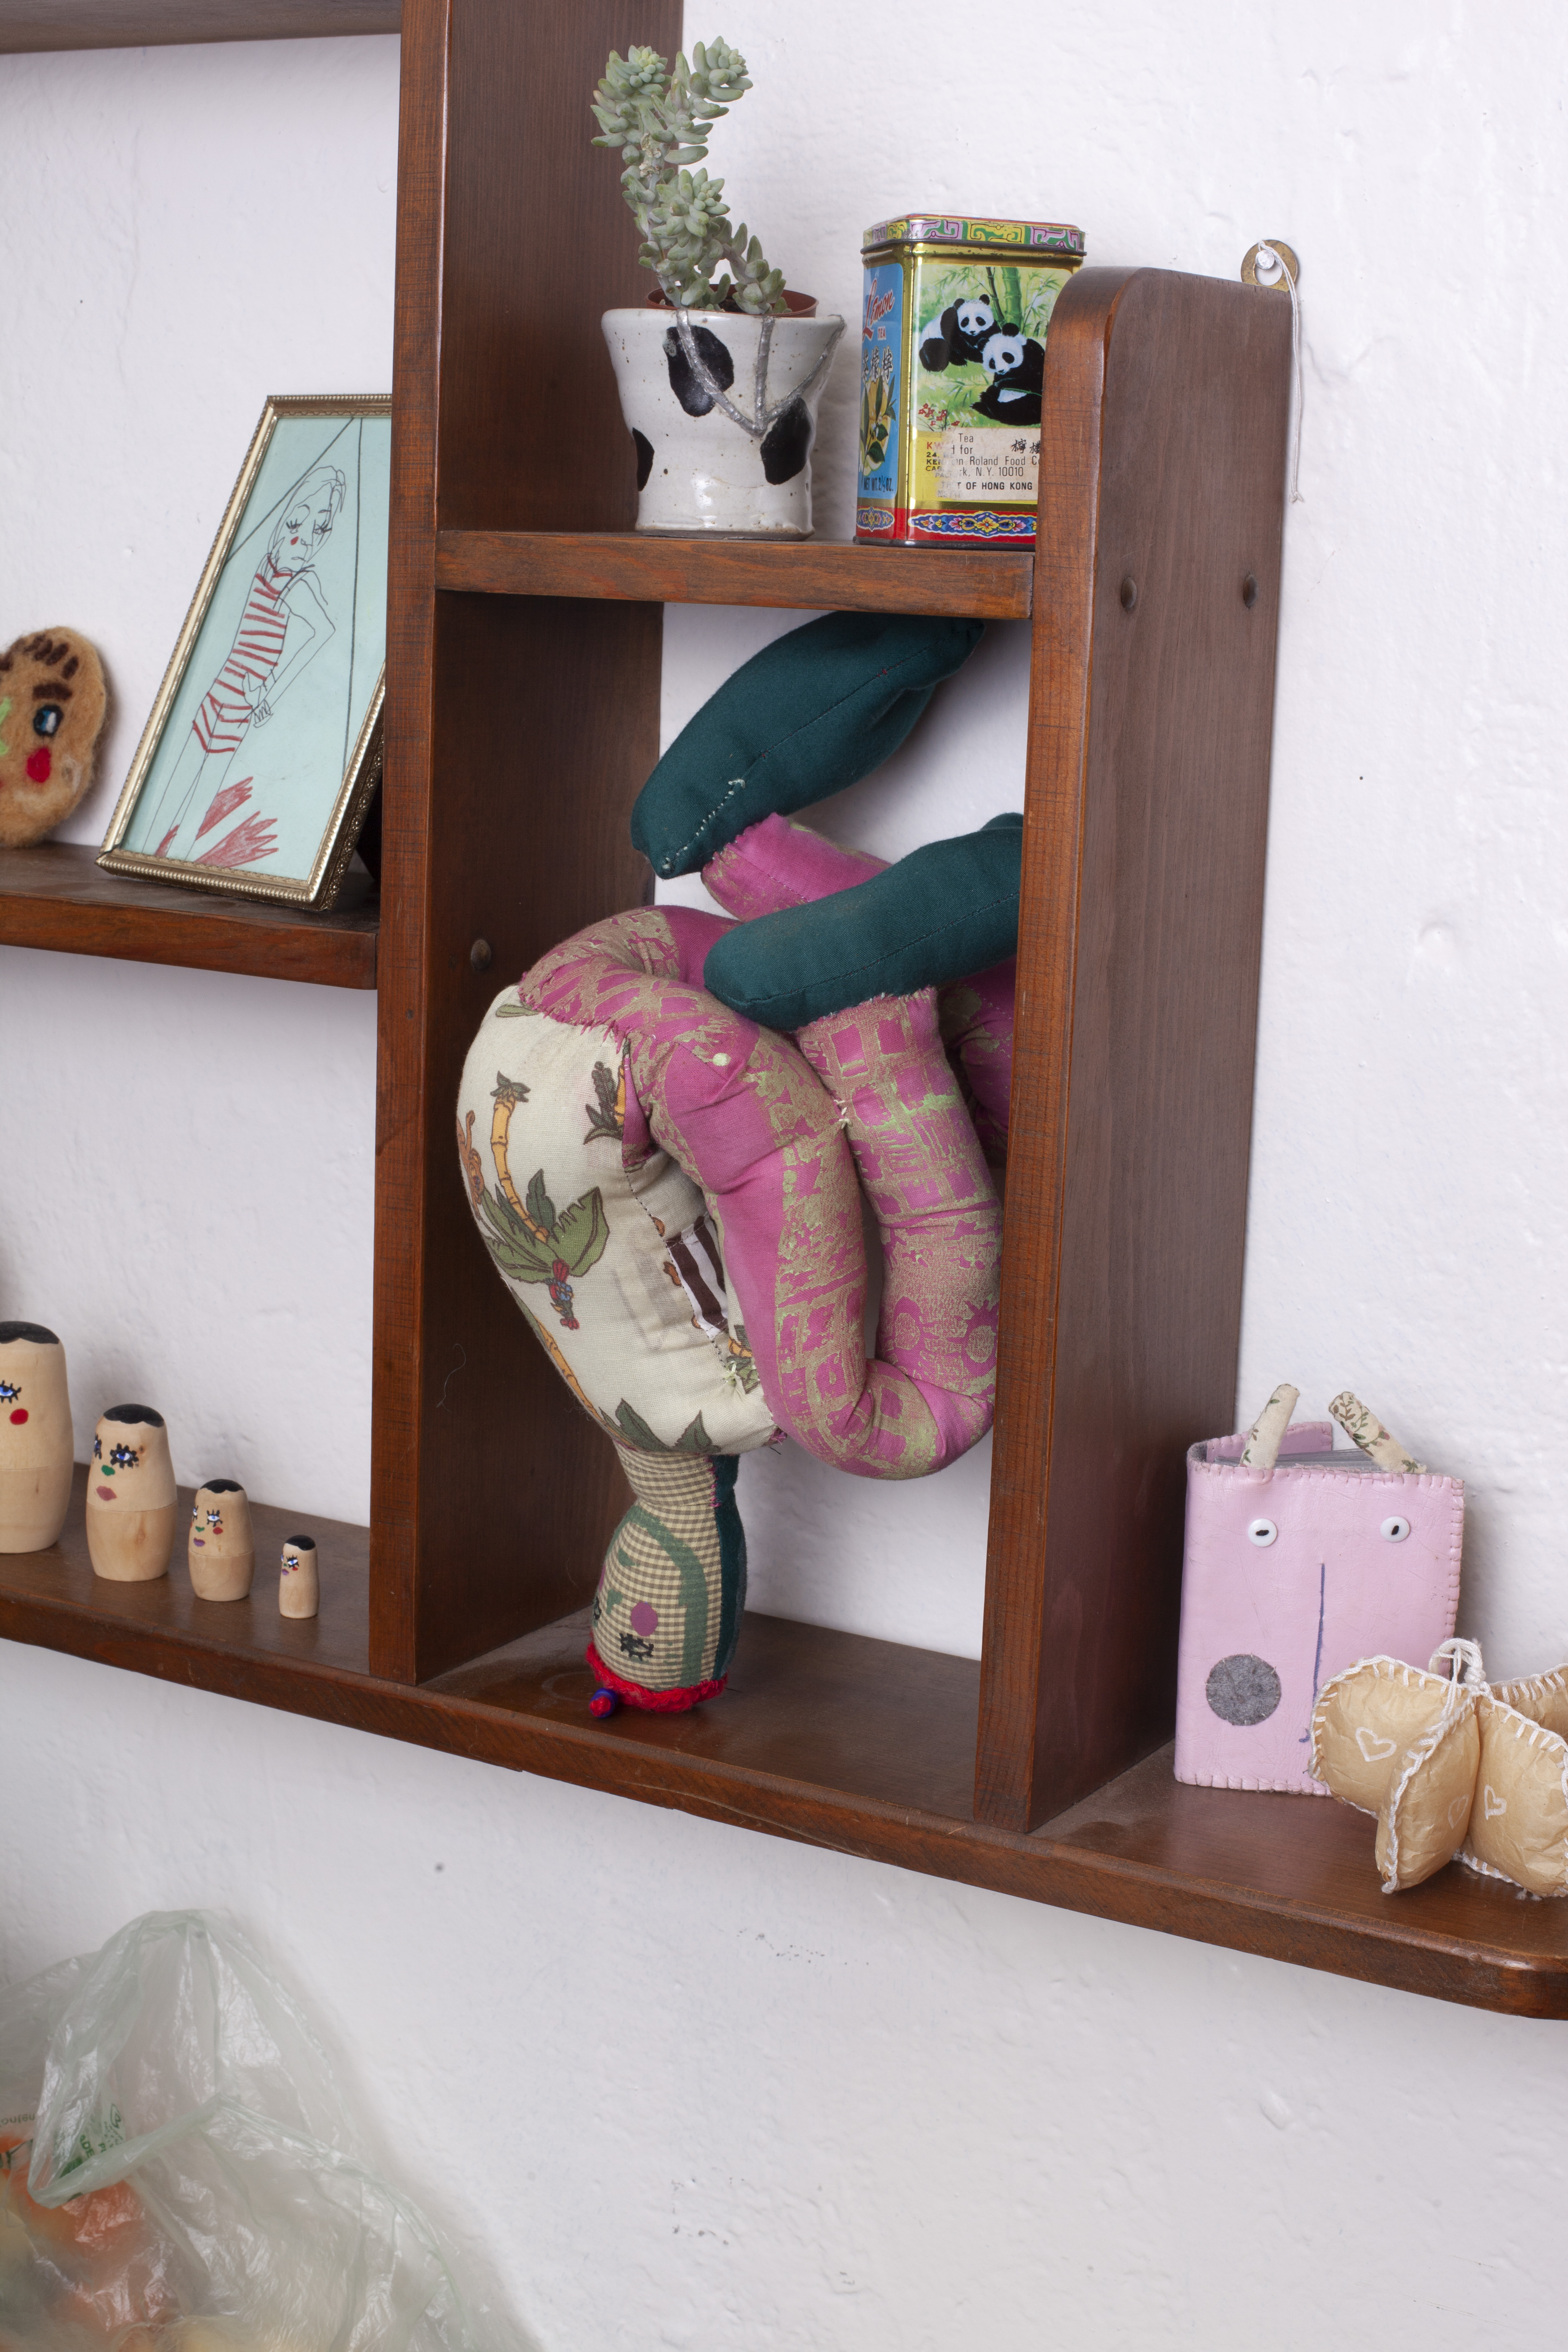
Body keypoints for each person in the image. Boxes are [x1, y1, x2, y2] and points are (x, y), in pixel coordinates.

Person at [144, 462, 345, 861]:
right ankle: (147, 858)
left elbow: (325, 631)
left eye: (319, 528)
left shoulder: (297, 583)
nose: (305, 538)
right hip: (217, 690)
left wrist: (269, 691)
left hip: (239, 704)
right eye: (300, 520)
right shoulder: (266, 566)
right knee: (170, 794)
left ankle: (174, 866)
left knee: (198, 803)